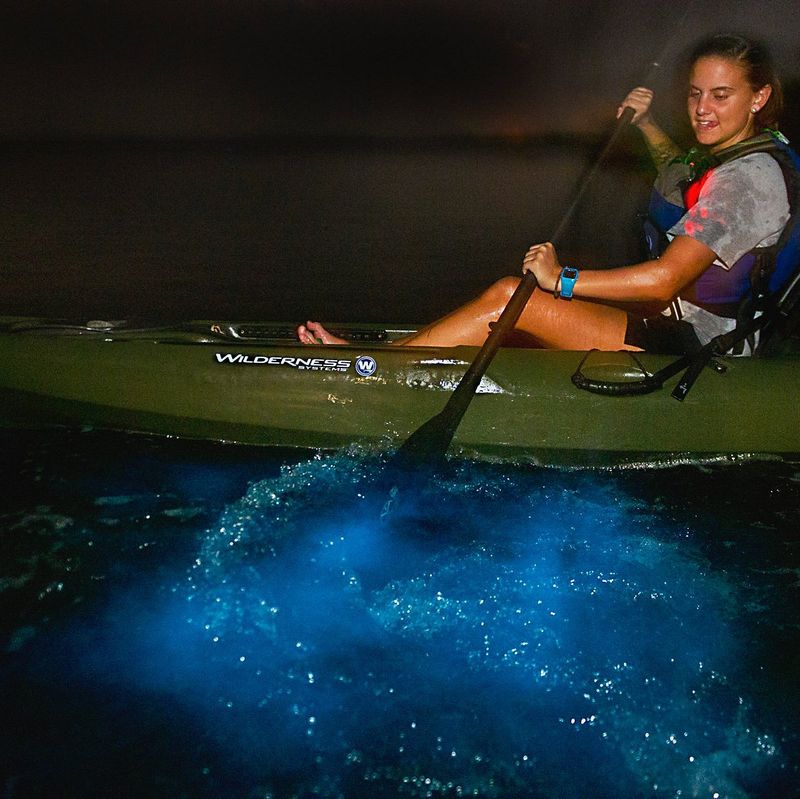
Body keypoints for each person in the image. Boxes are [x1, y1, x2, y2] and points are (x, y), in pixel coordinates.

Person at [298, 33, 791, 356]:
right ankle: (405, 353)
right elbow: (681, 177)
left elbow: (664, 282)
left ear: (759, 96)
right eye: (694, 93)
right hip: (672, 322)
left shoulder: (747, 179)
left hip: (699, 342)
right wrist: (646, 125)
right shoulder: (743, 157)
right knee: (519, 306)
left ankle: (369, 369)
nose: (702, 108)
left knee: (512, 298)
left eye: (720, 95)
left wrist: (563, 280)